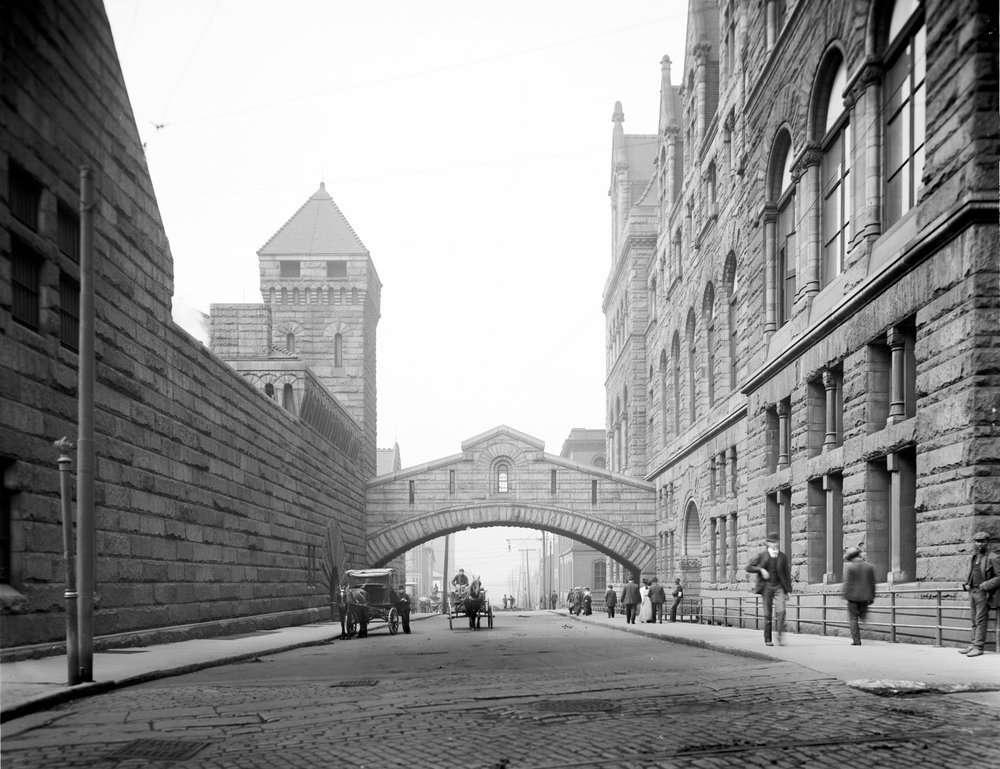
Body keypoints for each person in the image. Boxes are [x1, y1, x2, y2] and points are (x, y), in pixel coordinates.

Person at [746, 532, 793, 646]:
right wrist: (761, 570)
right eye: (771, 542)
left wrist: (787, 591)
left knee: (781, 611)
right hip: (766, 587)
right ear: (767, 543)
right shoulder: (762, 555)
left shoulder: (783, 557)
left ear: (778, 542)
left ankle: (780, 635)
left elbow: (787, 575)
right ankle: (768, 639)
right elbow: (748, 567)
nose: (774, 544)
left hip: (779, 587)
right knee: (768, 614)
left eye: (775, 542)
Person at [959, 530, 1000, 658]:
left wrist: (985, 585)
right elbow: (972, 572)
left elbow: (999, 577)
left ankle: (978, 647)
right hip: (973, 591)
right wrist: (967, 584)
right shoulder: (975, 557)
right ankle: (973, 644)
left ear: (988, 542)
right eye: (977, 541)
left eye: (982, 541)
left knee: (980, 620)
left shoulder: (994, 557)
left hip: (984, 593)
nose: (979, 544)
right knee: (973, 620)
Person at [842, 547, 876, 646]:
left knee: (853, 619)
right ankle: (867, 624)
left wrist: (844, 596)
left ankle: (856, 641)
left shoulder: (850, 567)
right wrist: (872, 596)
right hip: (865, 597)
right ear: (859, 555)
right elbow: (872, 583)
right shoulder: (870, 566)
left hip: (852, 597)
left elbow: (848, 583)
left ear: (850, 558)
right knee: (863, 615)